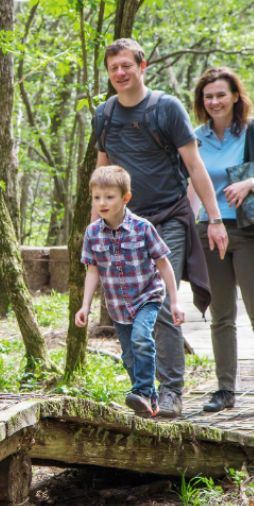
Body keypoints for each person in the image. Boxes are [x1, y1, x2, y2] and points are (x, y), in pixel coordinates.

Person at [93, 38, 228, 419]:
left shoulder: (166, 108)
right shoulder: (103, 115)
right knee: (127, 310)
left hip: (169, 217)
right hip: (124, 226)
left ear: (142, 66)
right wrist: (95, 229)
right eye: (113, 68)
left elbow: (195, 166)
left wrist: (214, 219)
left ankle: (171, 393)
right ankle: (144, 391)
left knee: (163, 304)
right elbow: (102, 176)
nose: (120, 74)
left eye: (126, 66)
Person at [190, 67, 254, 415]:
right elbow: (192, 186)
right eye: (208, 96)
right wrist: (188, 230)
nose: (214, 101)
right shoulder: (196, 136)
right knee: (221, 316)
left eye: (221, 94)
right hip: (208, 232)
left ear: (234, 96)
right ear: (202, 101)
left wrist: (251, 184)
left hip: (251, 231)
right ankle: (224, 389)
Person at [77, 166, 185, 417]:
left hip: (147, 297)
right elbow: (92, 271)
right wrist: (85, 306)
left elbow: (164, 265)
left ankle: (143, 391)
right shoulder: (92, 233)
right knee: (128, 356)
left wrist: (175, 301)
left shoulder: (143, 227)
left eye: (109, 197)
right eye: (97, 197)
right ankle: (148, 400)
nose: (102, 203)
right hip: (117, 304)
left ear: (125, 198)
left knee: (141, 339)